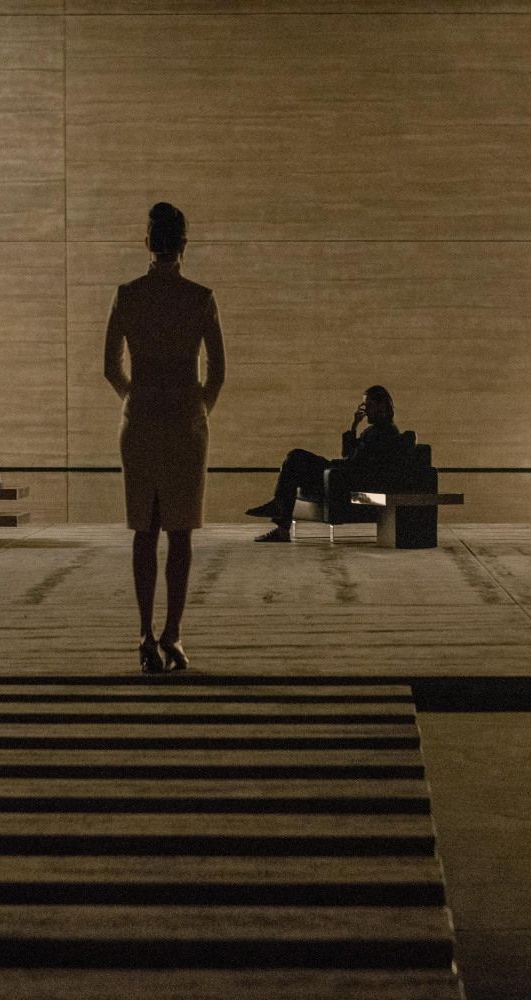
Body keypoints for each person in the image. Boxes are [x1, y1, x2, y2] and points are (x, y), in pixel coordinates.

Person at [104, 202, 225, 673]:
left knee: (144, 529)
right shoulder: (200, 298)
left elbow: (111, 366)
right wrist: (198, 407)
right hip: (184, 422)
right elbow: (217, 370)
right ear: (184, 244)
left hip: (141, 420)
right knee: (180, 532)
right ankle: (173, 633)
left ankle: (144, 634)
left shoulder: (127, 295)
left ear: (147, 243)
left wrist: (134, 398)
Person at [246, 385, 403, 543]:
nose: (365, 410)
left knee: (296, 457)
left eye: (368, 405)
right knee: (294, 464)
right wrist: (354, 426)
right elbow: (348, 454)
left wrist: (339, 465)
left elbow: (360, 465)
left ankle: (279, 513)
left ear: (381, 406)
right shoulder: (373, 430)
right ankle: (281, 521)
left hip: (345, 480)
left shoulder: (386, 432)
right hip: (342, 475)